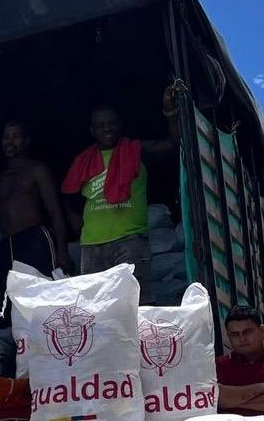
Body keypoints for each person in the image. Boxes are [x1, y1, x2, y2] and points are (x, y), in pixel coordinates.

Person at [60, 86, 180, 304]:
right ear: (92, 130)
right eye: (100, 125)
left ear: (120, 125)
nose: (107, 129)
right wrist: (73, 217)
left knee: (135, 304)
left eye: (111, 123)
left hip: (130, 241)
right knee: (97, 310)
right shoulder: (83, 160)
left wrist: (169, 112)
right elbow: (67, 192)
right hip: (92, 245)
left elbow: (173, 144)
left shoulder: (136, 150)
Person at [0, 120, 72, 324]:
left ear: (26, 141)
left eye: (15, 136)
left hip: (35, 240)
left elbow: (55, 212)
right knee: (9, 305)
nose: (10, 141)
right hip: (8, 243)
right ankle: (18, 352)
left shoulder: (37, 170)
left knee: (42, 300)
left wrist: (62, 250)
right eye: (6, 137)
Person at [215, 305, 264, 415]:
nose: (242, 339)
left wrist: (231, 401)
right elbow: (215, 398)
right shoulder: (219, 364)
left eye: (247, 332)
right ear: (228, 336)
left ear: (262, 330)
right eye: (235, 334)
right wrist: (263, 387)